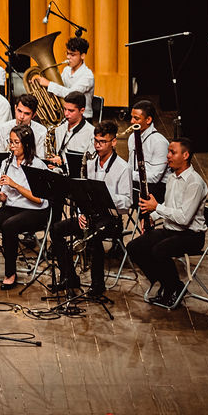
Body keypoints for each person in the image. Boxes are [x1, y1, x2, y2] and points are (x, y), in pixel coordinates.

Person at [49, 121, 131, 297]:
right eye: (95, 141)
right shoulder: (90, 162)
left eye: (102, 142)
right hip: (90, 214)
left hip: (111, 218)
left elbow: (127, 202)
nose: (98, 145)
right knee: (56, 230)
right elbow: (82, 193)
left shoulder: (123, 168)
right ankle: (69, 277)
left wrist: (107, 197)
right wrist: (80, 214)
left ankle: (97, 284)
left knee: (93, 237)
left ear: (114, 142)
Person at [127, 137, 208, 307]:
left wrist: (156, 207)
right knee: (134, 247)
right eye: (168, 152)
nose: (168, 156)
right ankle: (171, 284)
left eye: (173, 152)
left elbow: (185, 219)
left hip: (191, 235)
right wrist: (153, 215)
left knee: (159, 251)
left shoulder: (195, 183)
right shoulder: (172, 177)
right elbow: (169, 206)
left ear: (185, 155)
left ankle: (171, 287)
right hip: (171, 230)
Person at [0, 125, 50, 289]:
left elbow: (39, 199)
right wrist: (0, 194)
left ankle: (10, 273)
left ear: (26, 144)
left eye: (16, 142)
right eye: (10, 142)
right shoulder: (6, 163)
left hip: (35, 210)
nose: (12, 146)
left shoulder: (37, 165)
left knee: (9, 226)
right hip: (13, 207)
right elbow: (5, 196)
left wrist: (15, 185)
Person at [33, 36, 95, 117]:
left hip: (83, 117)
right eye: (67, 53)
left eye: (72, 55)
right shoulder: (66, 70)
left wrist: (49, 84)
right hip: (66, 114)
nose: (68, 57)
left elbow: (72, 95)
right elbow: (59, 87)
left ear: (82, 56)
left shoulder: (87, 76)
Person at [127, 99, 169, 196]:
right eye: (132, 117)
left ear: (148, 120)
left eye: (136, 118)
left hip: (157, 188)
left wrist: (127, 174)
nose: (131, 121)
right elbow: (131, 166)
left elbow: (155, 178)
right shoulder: (131, 138)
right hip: (139, 182)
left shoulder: (159, 143)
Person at [47, 91, 94, 172]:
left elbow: (90, 164)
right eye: (65, 109)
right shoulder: (59, 129)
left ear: (82, 110)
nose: (66, 114)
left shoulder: (91, 133)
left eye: (71, 111)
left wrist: (63, 161)